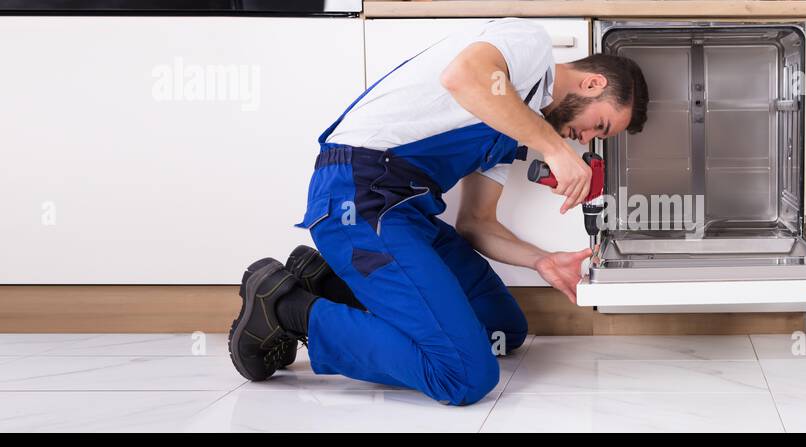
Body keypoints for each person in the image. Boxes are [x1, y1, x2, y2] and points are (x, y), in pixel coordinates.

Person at [226, 18, 648, 405]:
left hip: (407, 214)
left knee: (504, 330)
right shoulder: (529, 46)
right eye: (601, 126)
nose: (585, 139)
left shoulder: (516, 128)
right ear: (593, 84)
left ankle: (328, 283)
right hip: (358, 199)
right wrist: (554, 148)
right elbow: (464, 77)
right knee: (463, 375)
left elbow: (476, 224)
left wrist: (542, 261)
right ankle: (285, 307)